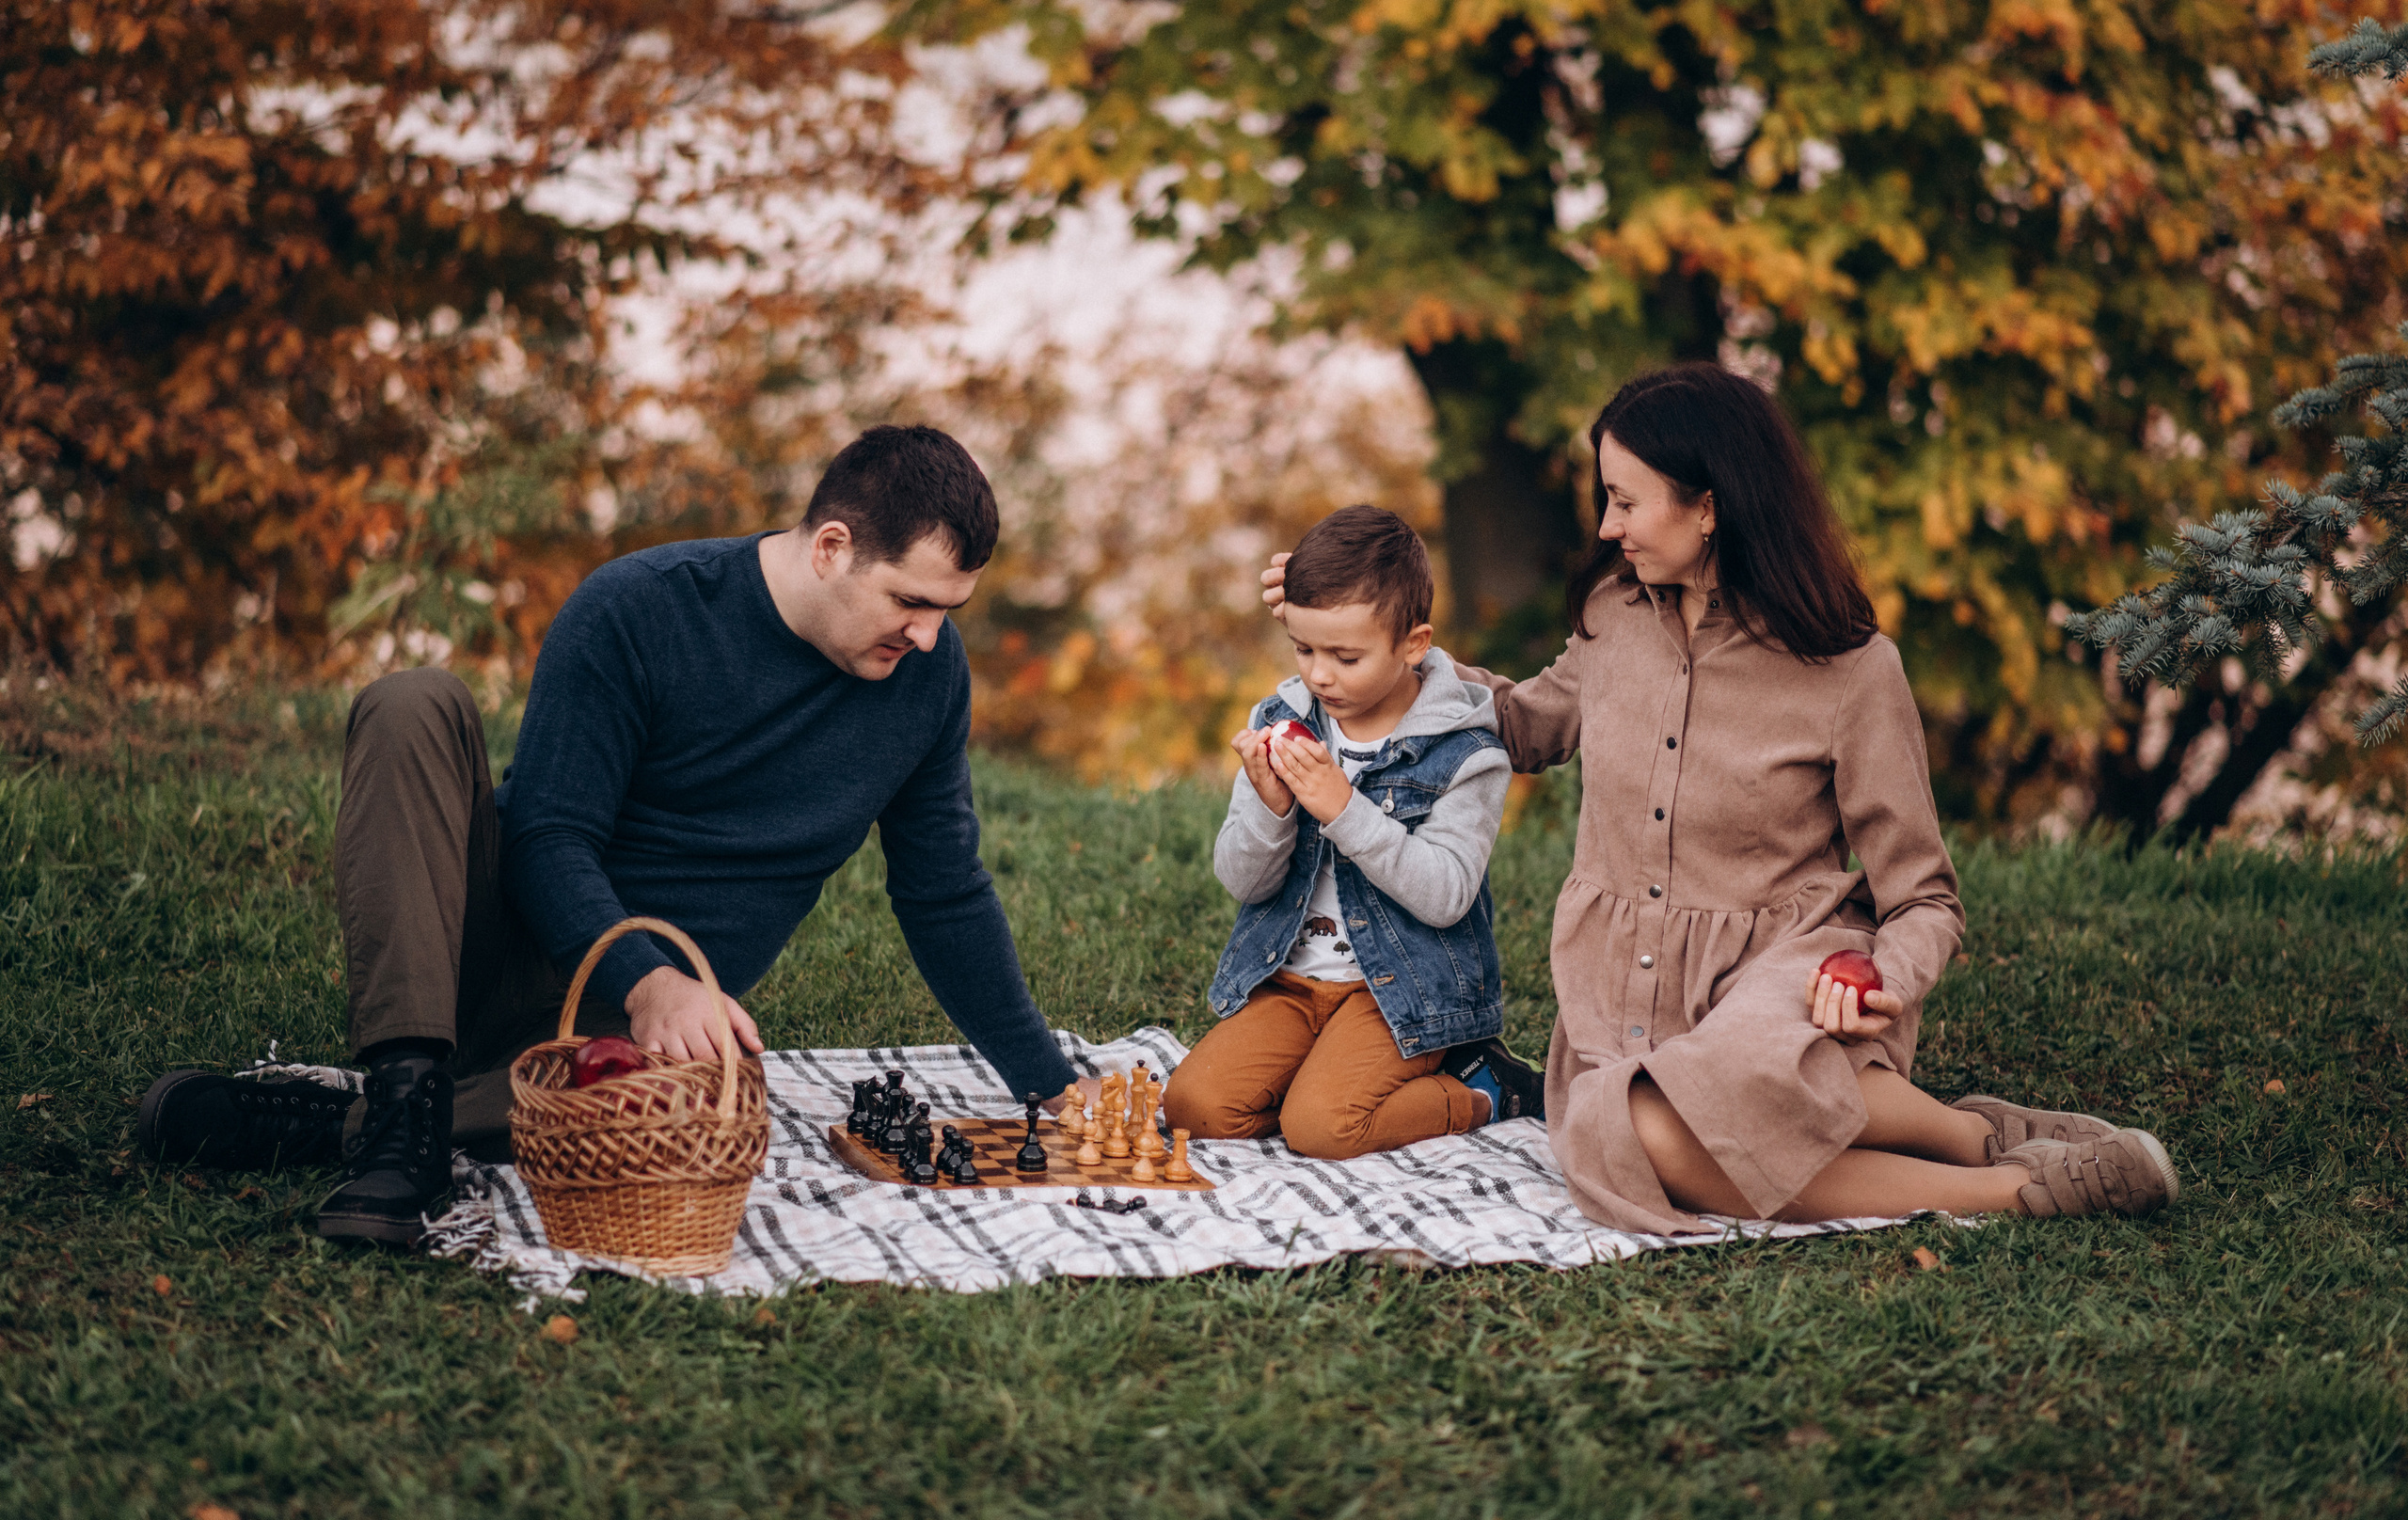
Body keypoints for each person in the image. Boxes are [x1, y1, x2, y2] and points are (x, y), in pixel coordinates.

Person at [136, 425, 1095, 1245]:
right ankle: (408, 1084)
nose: (927, 637)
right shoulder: (640, 608)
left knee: (711, 1111)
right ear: (832, 548)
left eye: (947, 611)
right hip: (489, 949)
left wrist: (1047, 1084)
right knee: (411, 703)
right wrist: (650, 978)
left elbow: (942, 890)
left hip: (633, 1049)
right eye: (909, 602)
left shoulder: (928, 680)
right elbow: (549, 836)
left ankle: (378, 1120)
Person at [1263, 366, 2177, 1226]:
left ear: (1708, 508)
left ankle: (2010, 1187)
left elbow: (1923, 898)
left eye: (1624, 501)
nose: (1607, 529)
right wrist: (1374, 640)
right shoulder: (1613, 617)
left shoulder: (1852, 671)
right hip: (1623, 981)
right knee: (1621, 1139)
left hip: (1783, 973)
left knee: (1663, 1140)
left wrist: (1882, 981)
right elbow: (1517, 726)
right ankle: (1973, 1131)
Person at [1163, 505, 1545, 1161]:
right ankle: (1320, 1075)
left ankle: (1483, 1086)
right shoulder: (1281, 717)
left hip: (1400, 991)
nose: (1319, 675)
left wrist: (1344, 810)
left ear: (1413, 645)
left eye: (1345, 655)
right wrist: (1273, 807)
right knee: (1191, 1108)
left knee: (1322, 1128)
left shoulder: (1465, 753)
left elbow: (1447, 893)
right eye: (1304, 649)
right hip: (1291, 983)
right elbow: (1240, 880)